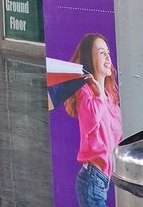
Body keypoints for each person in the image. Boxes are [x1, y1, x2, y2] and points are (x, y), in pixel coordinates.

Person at [66, 33, 122, 206]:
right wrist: (98, 95)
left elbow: (117, 134)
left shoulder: (110, 95)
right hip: (92, 180)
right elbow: (90, 122)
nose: (107, 56)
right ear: (90, 58)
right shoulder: (86, 92)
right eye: (101, 52)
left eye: (108, 52)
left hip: (103, 180)